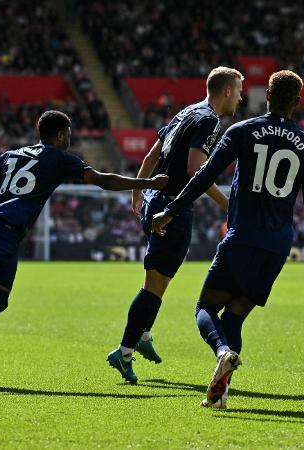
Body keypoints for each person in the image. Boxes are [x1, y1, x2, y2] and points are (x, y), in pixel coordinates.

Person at [0, 110, 168, 385]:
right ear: (61, 135)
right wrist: (147, 183)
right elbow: (102, 180)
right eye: (69, 136)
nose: (69, 142)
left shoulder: (12, 155)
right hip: (5, 229)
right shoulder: (59, 158)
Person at [152, 70, 304, 408]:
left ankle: (222, 351)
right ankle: (220, 393)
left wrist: (172, 209)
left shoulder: (243, 131)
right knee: (233, 317)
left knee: (205, 306)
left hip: (241, 238)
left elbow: (204, 175)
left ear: (265, 96)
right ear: (298, 101)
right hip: (276, 247)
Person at [107, 67, 244, 383]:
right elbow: (196, 169)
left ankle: (141, 335)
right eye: (238, 91)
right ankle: (125, 351)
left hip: (156, 200)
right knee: (153, 287)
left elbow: (153, 154)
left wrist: (138, 191)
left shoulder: (186, 112)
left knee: (158, 283)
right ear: (225, 91)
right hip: (172, 208)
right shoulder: (209, 120)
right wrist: (228, 206)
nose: (240, 97)